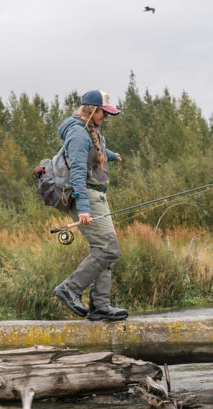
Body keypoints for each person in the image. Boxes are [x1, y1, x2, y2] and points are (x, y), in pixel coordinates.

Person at [53, 90, 128, 321]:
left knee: (103, 251)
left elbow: (95, 151)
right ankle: (70, 288)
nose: (106, 117)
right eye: (103, 113)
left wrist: (112, 156)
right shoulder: (78, 134)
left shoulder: (90, 131)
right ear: (91, 110)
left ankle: (100, 307)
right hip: (87, 197)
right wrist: (84, 209)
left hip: (98, 197)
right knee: (109, 249)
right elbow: (76, 172)